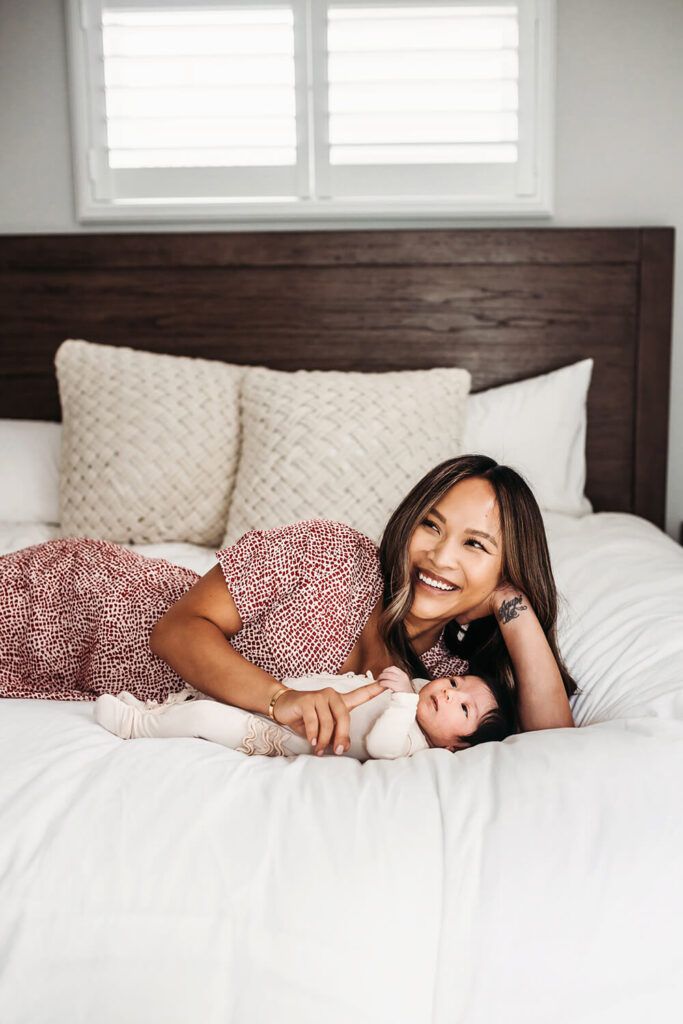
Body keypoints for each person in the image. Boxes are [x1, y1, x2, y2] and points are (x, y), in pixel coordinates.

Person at [0, 455, 576, 755]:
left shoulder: (446, 684)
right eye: (431, 525)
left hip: (98, 689)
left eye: (475, 545)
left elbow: (553, 747)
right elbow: (176, 629)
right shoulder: (331, 554)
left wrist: (510, 599)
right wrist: (282, 700)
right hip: (80, 606)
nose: (440, 556)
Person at [93, 663, 518, 760]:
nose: (448, 693)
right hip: (288, 702)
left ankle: (137, 726)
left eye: (463, 708)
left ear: (458, 745)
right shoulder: (424, 697)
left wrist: (406, 699)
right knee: (216, 696)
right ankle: (159, 709)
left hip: (279, 737)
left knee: (209, 720)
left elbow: (379, 743)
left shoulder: (412, 742)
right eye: (456, 683)